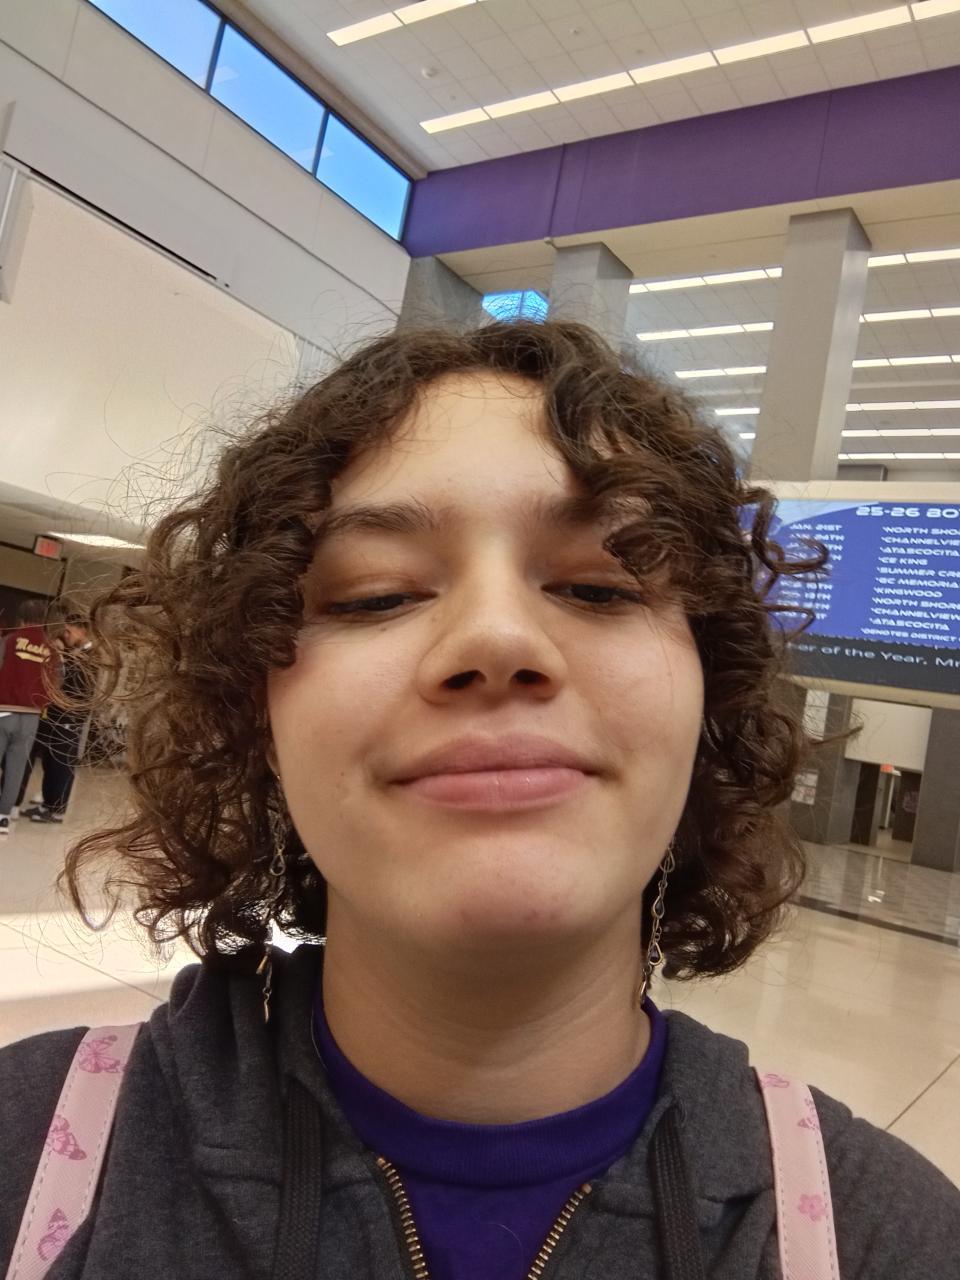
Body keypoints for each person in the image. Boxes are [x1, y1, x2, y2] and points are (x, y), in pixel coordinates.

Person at [1, 321, 958, 1279]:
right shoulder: (29, 1153)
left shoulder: (889, 1241)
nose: (497, 639)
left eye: (599, 587)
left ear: (709, 703)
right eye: (375, 595)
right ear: (258, 713)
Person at [19, 613, 95, 823]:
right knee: (50, 762)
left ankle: (56, 811)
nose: (65, 635)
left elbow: (76, 687)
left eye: (69, 631)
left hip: (70, 719)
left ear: (82, 630)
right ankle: (47, 804)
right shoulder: (73, 652)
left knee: (62, 764)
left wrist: (63, 658)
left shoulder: (91, 657)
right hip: (55, 716)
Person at [0, 598, 58, 839]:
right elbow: (56, 682)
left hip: (3, 711)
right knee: (16, 768)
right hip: (32, 717)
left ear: (21, 619)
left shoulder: (9, 641)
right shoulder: (52, 650)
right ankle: (3, 818)